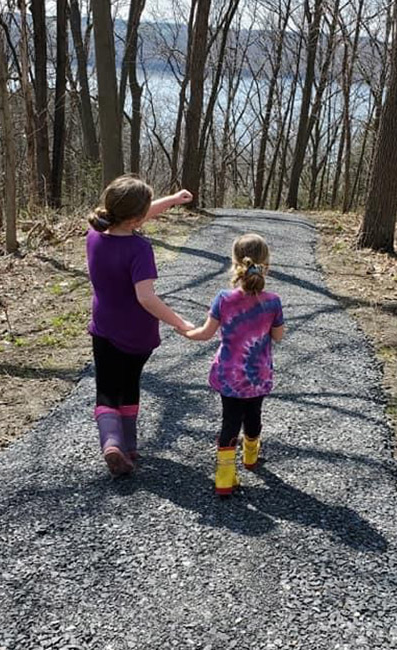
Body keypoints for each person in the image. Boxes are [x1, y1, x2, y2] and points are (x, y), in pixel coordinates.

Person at [86, 174, 194, 476]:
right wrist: (180, 322)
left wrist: (172, 201)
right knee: (130, 384)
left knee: (107, 389)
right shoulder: (139, 249)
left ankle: (112, 443)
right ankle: (130, 446)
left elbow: (131, 216)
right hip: (137, 334)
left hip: (104, 327)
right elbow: (146, 298)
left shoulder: (94, 235)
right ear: (136, 219)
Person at [183, 233, 284, 495]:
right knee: (254, 416)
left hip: (229, 375)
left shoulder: (223, 298)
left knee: (230, 421)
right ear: (266, 264)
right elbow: (278, 336)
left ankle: (224, 477)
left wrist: (184, 331)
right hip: (258, 375)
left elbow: (205, 333)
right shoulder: (273, 301)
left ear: (235, 262)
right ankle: (250, 457)